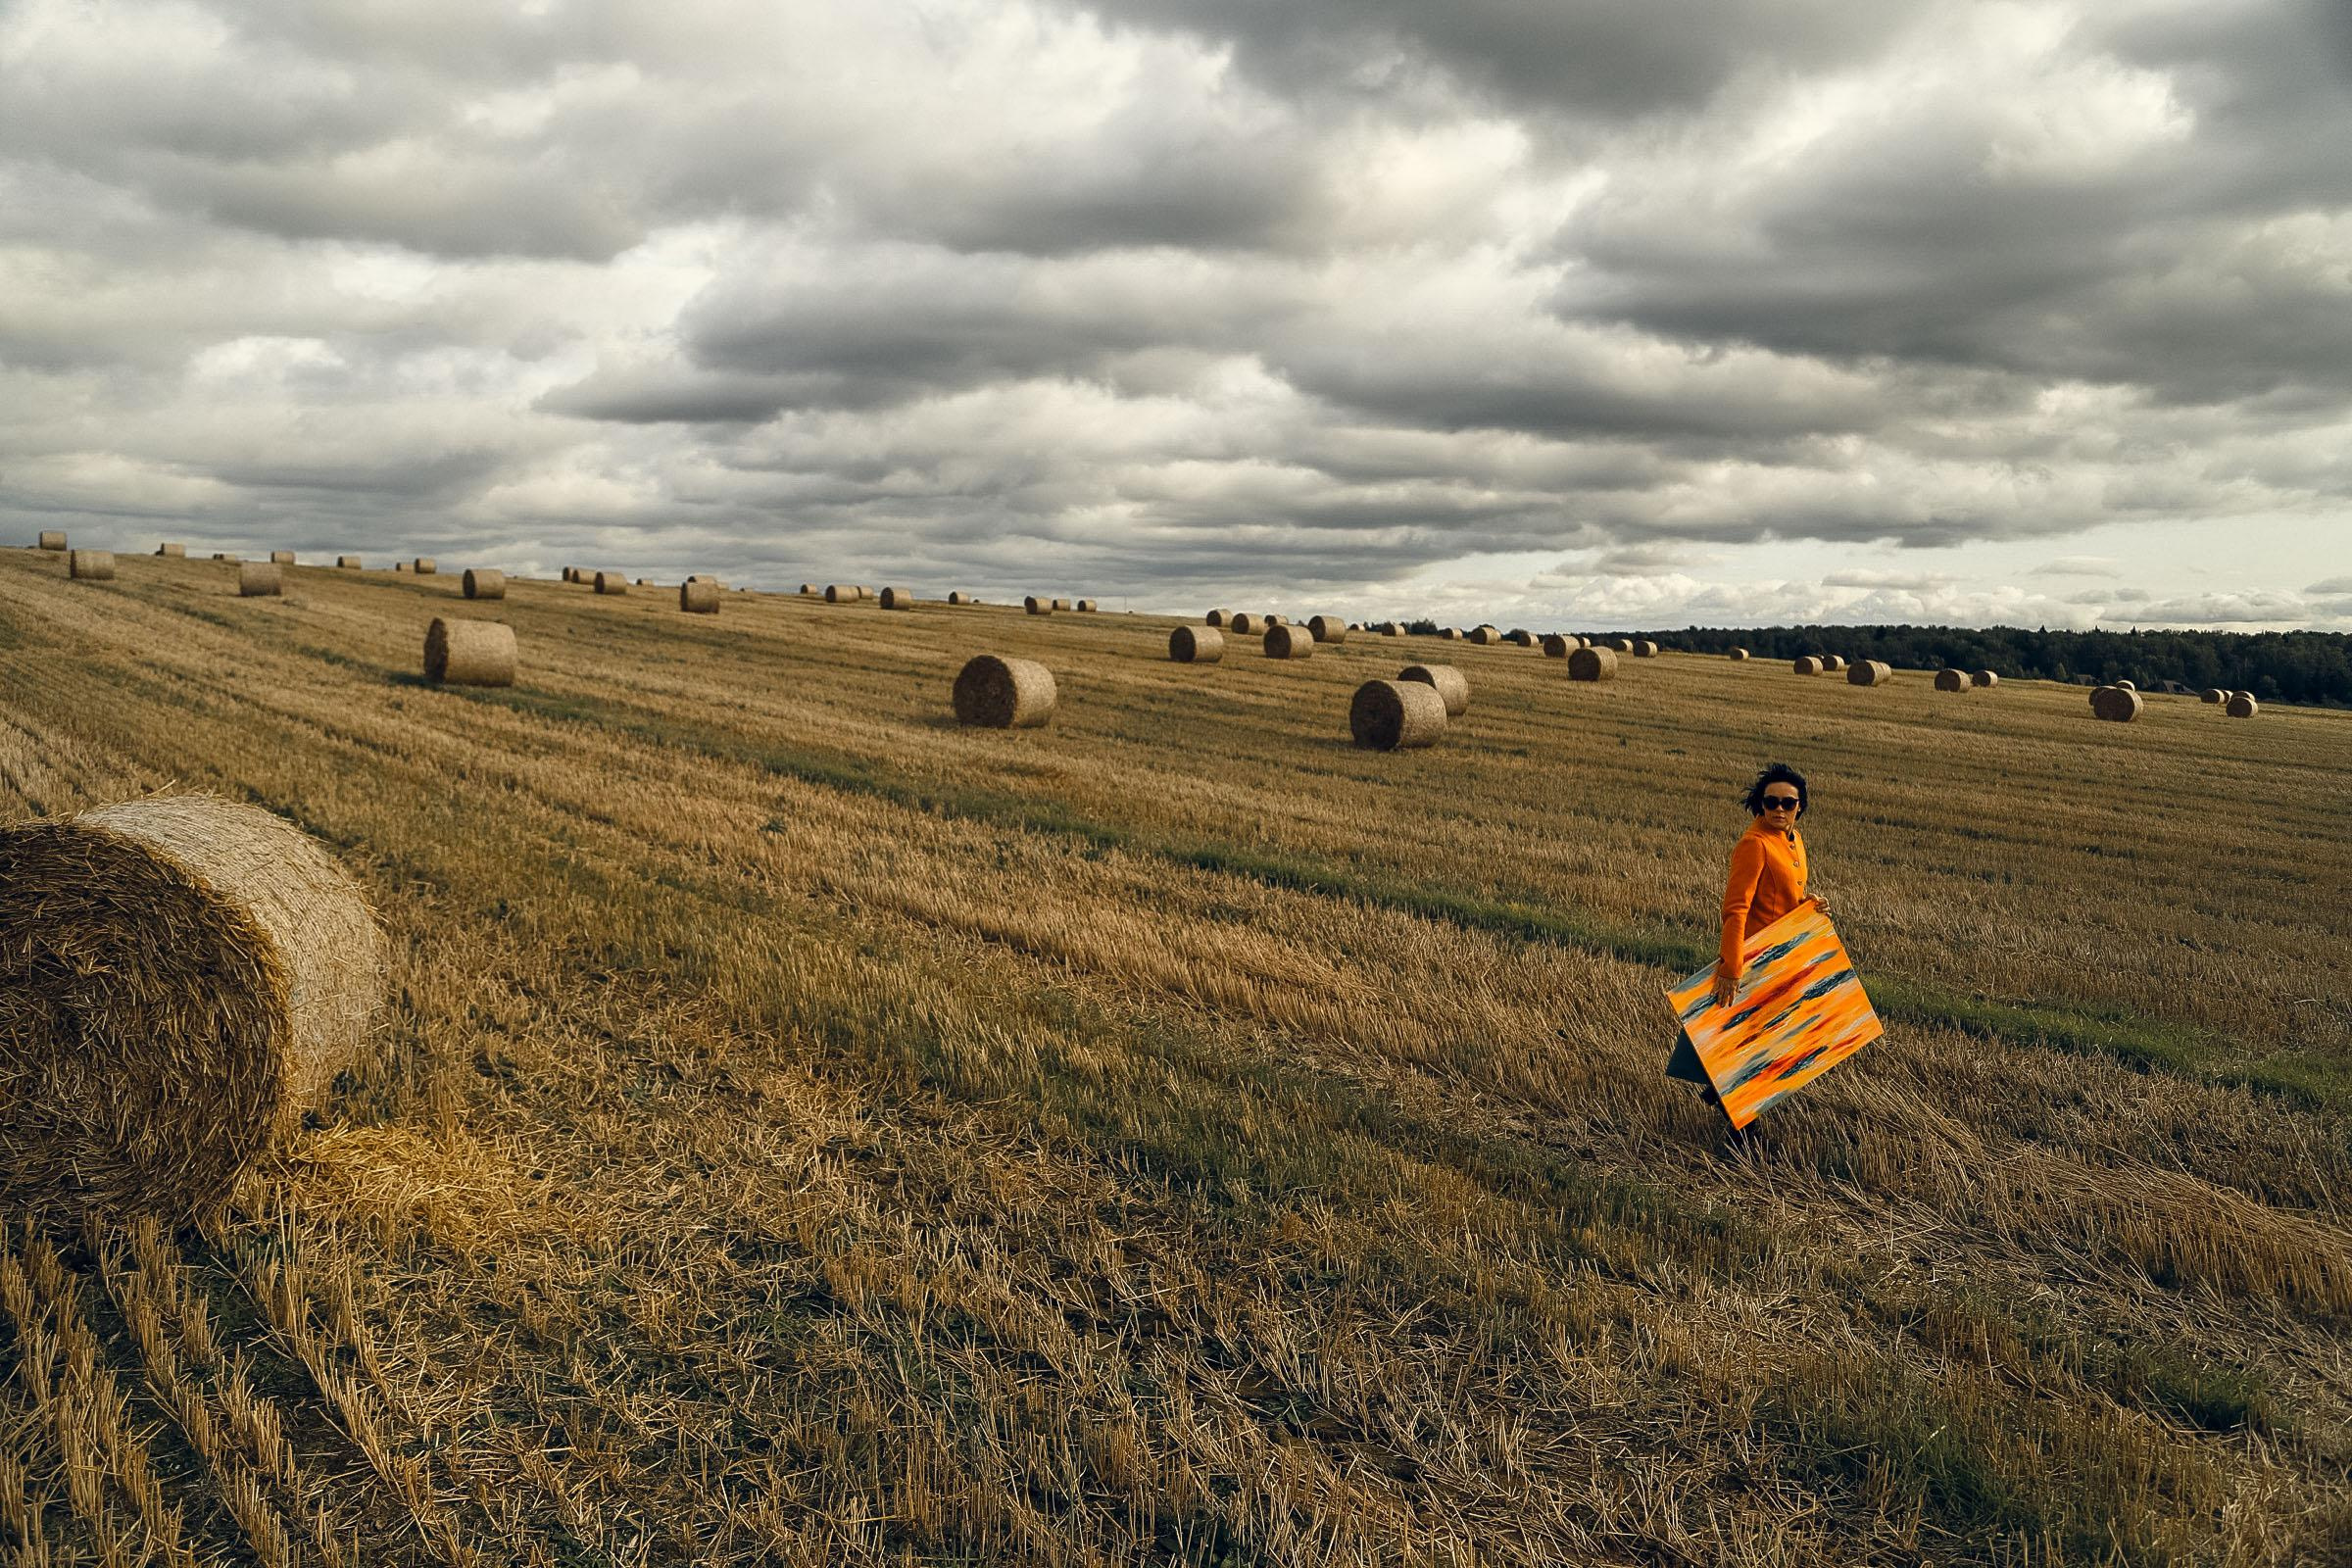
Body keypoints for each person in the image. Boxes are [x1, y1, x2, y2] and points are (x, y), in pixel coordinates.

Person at [1667, 762, 1831, 1108]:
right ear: (1760, 804)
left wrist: (1807, 903)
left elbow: (1779, 895)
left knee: (1770, 1040)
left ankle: (1720, 1088)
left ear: (1800, 806)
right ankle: (1740, 1127)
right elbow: (1735, 909)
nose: (1779, 809)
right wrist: (1731, 967)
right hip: (1756, 959)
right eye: (1771, 802)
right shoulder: (1754, 845)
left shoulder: (1793, 840)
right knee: (1753, 1048)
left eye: (1788, 803)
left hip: (1782, 954)